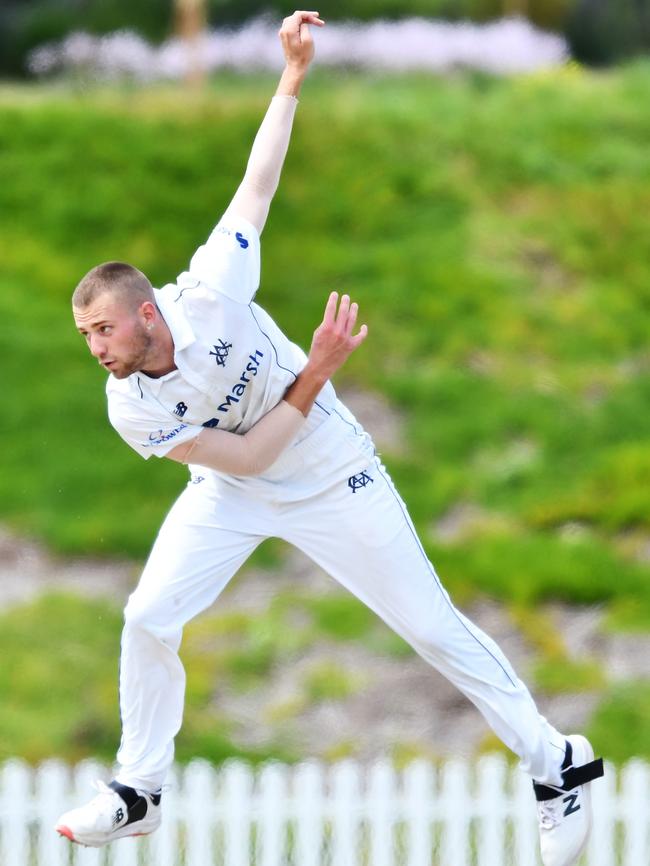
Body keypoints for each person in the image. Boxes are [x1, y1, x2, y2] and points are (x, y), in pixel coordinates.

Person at [55, 10, 603, 866]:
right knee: (148, 616)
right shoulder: (129, 405)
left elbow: (258, 182)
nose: (94, 349)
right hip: (236, 488)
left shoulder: (212, 291)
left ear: (147, 315)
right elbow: (241, 460)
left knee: (430, 626)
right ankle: (139, 789)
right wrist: (315, 371)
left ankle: (557, 764)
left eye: (101, 331)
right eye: (85, 336)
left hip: (332, 472)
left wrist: (292, 76)